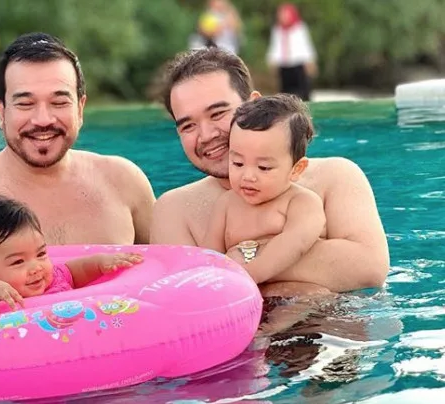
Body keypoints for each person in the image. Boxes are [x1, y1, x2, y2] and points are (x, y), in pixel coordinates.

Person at [150, 47, 389, 296]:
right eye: (188, 126)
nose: (206, 135)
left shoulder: (334, 176)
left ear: (253, 105)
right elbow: (191, 297)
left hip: (333, 322)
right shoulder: (174, 210)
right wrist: (300, 258)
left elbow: (370, 268)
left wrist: (239, 258)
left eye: (218, 113)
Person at [0, 32, 155, 245]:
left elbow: (166, 265)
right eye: (25, 104)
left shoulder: (124, 183)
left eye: (59, 103)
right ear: (1, 112)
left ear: (80, 109)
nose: (42, 120)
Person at [0, 195, 144, 315]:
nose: (36, 267)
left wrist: (101, 262)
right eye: (18, 261)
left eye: (40, 253)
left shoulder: (54, 279)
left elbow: (78, 270)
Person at [202, 94, 326, 285]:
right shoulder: (226, 204)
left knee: (311, 296)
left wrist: (250, 275)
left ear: (296, 169)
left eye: (263, 167)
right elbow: (209, 255)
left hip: (296, 295)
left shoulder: (301, 202)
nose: (248, 176)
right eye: (238, 163)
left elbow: (295, 243)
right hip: (242, 295)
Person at [266, 3, 317, 101]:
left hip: (298, 64)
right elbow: (275, 46)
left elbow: (306, 45)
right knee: (285, 93)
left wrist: (310, 61)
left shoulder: (299, 28)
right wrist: (272, 60)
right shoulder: (277, 29)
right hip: (284, 65)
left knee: (303, 91)